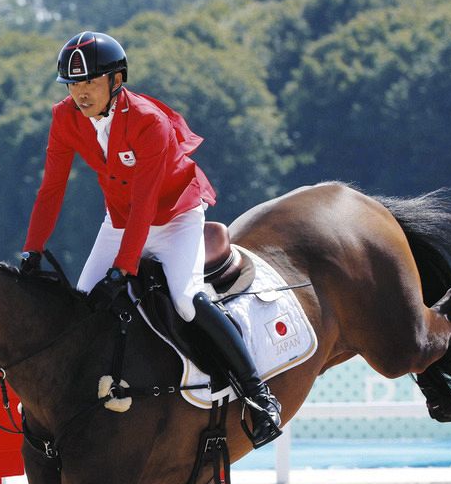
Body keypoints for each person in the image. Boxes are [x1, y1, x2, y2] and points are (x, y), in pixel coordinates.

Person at [19, 31, 282, 447]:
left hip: (175, 218)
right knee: (80, 307)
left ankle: (258, 395)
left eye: (89, 82)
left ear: (116, 80)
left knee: (184, 299)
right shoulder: (64, 117)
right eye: (73, 84)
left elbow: (146, 204)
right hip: (121, 221)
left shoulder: (148, 121)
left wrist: (124, 269)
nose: (79, 94)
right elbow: (51, 189)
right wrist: (32, 249)